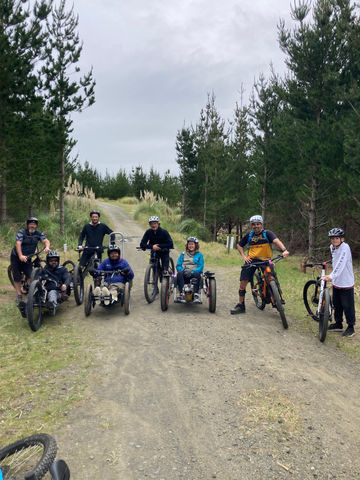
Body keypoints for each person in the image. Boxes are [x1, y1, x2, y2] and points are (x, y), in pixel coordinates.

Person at [231, 214, 289, 314]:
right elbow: (239, 245)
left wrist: (284, 250)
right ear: (251, 226)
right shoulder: (249, 235)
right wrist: (244, 256)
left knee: (272, 277)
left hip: (266, 260)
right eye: (254, 224)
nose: (256, 226)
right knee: (243, 282)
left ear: (261, 224)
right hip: (252, 260)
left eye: (258, 224)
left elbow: (276, 241)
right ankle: (240, 305)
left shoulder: (267, 233)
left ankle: (276, 299)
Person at [322, 228, 356, 337]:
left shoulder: (345, 248)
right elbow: (335, 260)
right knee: (337, 304)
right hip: (337, 281)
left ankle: (351, 327)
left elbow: (341, 263)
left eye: (336, 238)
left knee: (348, 305)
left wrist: (331, 276)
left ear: (342, 239)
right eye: (332, 238)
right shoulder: (332, 247)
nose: (334, 240)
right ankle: (338, 323)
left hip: (346, 282)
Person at [10, 217, 51, 303]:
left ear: (36, 226)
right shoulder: (22, 232)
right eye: (31, 224)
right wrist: (20, 255)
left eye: (34, 224)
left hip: (28, 257)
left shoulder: (38, 233)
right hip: (16, 256)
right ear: (28, 225)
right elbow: (18, 243)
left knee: (30, 275)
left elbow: (46, 240)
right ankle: (19, 295)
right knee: (17, 276)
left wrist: (47, 247)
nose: (32, 226)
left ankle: (30, 291)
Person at [176, 237, 204, 303]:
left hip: (194, 274)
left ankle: (196, 295)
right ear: (187, 245)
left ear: (195, 245)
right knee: (179, 273)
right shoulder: (183, 254)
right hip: (185, 273)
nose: (190, 246)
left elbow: (200, 266)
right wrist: (183, 271)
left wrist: (192, 272)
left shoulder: (199, 255)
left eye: (192, 244)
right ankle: (182, 294)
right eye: (189, 244)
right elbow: (178, 265)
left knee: (197, 273)